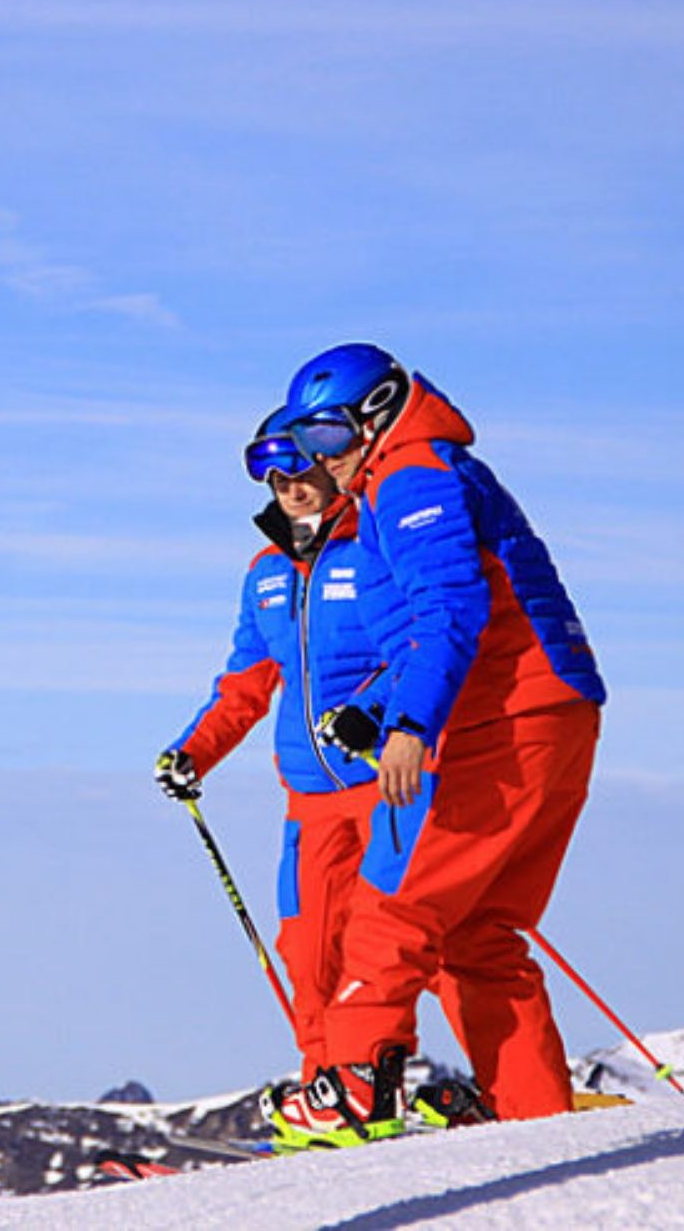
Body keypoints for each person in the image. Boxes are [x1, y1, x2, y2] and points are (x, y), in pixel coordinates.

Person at [266, 342, 603, 1147]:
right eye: (303, 439)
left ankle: (356, 1087)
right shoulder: (420, 472)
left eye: (327, 435)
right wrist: (381, 706)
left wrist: (409, 725)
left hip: (502, 721)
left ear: (376, 415)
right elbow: (433, 623)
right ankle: (534, 1115)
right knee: (476, 933)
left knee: (392, 909)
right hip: (554, 714)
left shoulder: (412, 475)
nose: (321, 459)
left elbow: (449, 607)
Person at [155, 410, 471, 1094]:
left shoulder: (371, 551)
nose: (291, 488)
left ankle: (499, 1086)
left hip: (385, 783)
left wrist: (369, 713)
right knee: (309, 951)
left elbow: (416, 649)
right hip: (311, 800)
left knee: (410, 946)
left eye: (300, 471)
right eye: (275, 478)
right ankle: (331, 1092)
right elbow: (244, 683)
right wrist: (192, 753)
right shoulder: (266, 574)